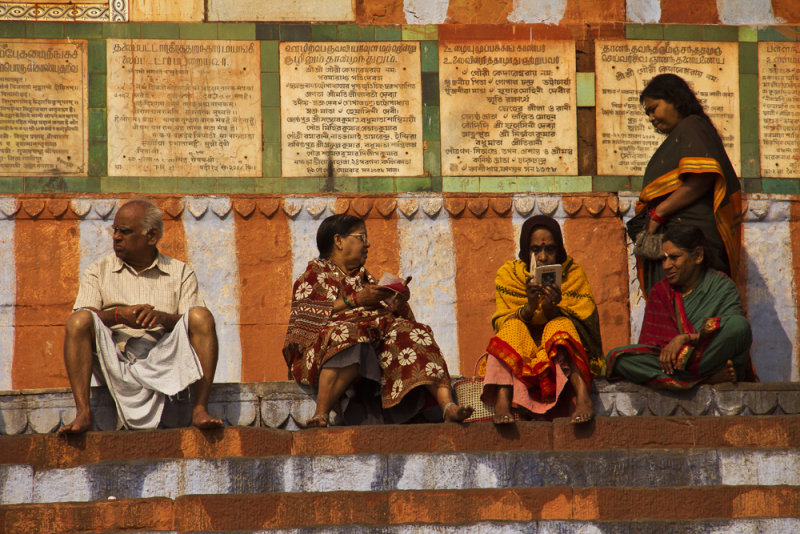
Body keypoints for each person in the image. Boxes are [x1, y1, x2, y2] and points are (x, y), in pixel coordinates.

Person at [283, 213, 473, 427]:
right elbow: (307, 316)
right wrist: (355, 300)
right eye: (362, 237)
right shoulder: (313, 276)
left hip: (375, 343)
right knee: (351, 333)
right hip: (329, 343)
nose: (368, 244)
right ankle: (321, 413)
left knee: (415, 332)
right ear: (338, 241)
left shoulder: (366, 279)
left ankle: (448, 406)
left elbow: (392, 318)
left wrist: (397, 302)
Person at [58, 198, 222, 434]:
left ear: (151, 236)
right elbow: (84, 319)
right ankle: (83, 412)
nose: (116, 237)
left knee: (201, 316)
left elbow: (191, 324)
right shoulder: (98, 271)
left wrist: (161, 319)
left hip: (165, 359)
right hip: (114, 358)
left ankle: (199, 408)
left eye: (124, 232)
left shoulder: (180, 272)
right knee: (78, 319)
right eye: (115, 230)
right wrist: (118, 316)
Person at [480, 215, 604, 425]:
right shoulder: (509, 275)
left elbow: (586, 322)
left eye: (550, 249)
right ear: (525, 251)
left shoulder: (573, 275)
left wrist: (551, 309)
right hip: (523, 348)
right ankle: (502, 399)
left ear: (559, 251)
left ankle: (583, 396)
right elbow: (500, 322)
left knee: (560, 324)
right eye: (536, 250)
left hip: (557, 349)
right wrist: (529, 307)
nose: (544, 257)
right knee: (512, 325)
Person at [629, 73, 743, 295]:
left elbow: (702, 179)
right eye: (647, 113)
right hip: (675, 243)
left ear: (675, 100)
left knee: (693, 314)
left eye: (654, 108)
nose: (651, 118)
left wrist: (658, 213)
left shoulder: (692, 126)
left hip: (691, 245)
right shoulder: (682, 134)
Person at [606, 225, 753, 390]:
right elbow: (653, 347)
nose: (666, 265)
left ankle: (686, 379)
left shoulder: (722, 286)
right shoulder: (660, 292)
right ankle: (705, 379)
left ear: (697, 256)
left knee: (739, 326)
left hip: (708, 357)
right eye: (664, 259)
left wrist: (684, 339)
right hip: (674, 365)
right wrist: (671, 350)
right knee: (617, 358)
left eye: (674, 257)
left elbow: (730, 332)